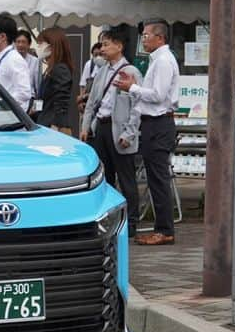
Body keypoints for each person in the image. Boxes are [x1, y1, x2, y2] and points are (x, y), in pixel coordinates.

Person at [115, 20, 180, 246]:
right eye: (142, 35)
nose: (143, 39)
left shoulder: (163, 61)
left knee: (158, 179)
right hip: (153, 123)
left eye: (147, 35)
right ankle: (162, 228)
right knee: (154, 178)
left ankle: (164, 230)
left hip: (159, 124)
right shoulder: (158, 60)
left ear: (160, 38)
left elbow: (158, 95)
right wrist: (134, 87)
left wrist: (132, 88)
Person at [81, 27, 141, 235]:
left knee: (126, 178)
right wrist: (85, 126)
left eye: (106, 44)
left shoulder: (131, 72)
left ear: (119, 46)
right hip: (102, 126)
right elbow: (91, 101)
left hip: (120, 130)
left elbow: (137, 107)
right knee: (105, 177)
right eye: (102, 44)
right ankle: (108, 219)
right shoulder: (102, 71)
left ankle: (132, 222)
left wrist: (129, 133)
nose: (103, 49)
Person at [0, 14, 33, 111]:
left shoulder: (14, 59)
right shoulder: (4, 58)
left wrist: (2, 105)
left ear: (2, 36)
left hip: (11, 115)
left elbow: (24, 92)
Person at [33, 27, 75, 134]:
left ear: (51, 46)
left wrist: (57, 125)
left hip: (53, 126)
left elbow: (62, 101)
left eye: (41, 44)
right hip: (44, 122)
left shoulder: (59, 68)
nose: (38, 47)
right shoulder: (49, 69)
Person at [15, 29, 41, 107]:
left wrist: (36, 107)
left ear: (29, 44)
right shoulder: (10, 60)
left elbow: (38, 86)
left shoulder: (35, 61)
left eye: (23, 42)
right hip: (13, 100)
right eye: (18, 42)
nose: (20, 45)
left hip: (29, 100)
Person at [77, 42, 104, 115]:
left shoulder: (108, 67)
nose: (98, 57)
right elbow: (83, 84)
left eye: (100, 54)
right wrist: (81, 101)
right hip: (89, 103)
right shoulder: (89, 65)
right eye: (95, 55)